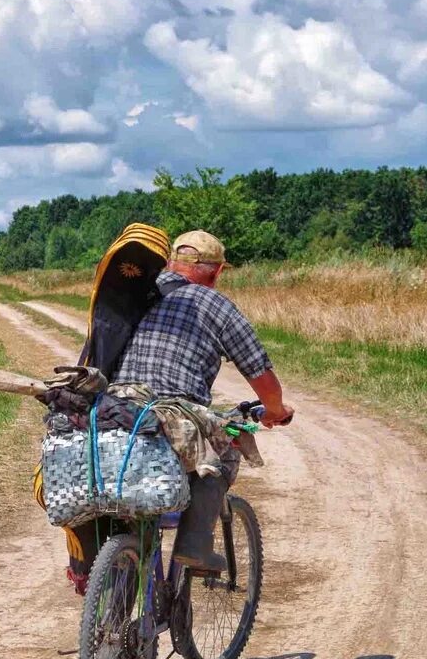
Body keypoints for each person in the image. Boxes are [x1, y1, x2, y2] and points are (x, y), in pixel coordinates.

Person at [111, 230, 293, 572]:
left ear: (169, 263)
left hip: (116, 407)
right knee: (224, 450)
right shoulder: (216, 305)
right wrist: (275, 410)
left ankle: (112, 583)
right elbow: (259, 371)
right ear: (218, 271)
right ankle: (194, 544)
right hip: (172, 413)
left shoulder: (138, 293)